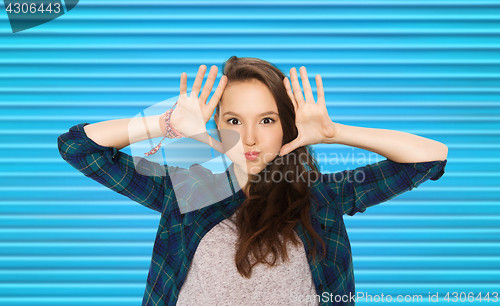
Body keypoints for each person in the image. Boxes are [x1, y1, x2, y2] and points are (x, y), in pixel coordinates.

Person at [57, 56, 448, 306]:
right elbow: (78, 148)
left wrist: (335, 133)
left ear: (286, 126)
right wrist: (164, 123)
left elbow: (429, 158)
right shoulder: (188, 191)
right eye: (233, 121)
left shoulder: (321, 197)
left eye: (266, 120)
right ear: (217, 125)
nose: (249, 138)